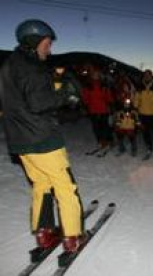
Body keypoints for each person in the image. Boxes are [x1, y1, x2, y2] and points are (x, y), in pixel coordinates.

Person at [0, 19, 84, 252]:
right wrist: (66, 94)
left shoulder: (10, 65)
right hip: (42, 139)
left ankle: (44, 234)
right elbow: (39, 102)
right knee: (66, 188)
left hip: (21, 140)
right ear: (33, 42)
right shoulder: (32, 68)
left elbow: (24, 98)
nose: (50, 49)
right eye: (47, 44)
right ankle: (72, 237)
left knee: (41, 185)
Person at [133, 69, 153, 161]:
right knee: (145, 132)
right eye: (145, 75)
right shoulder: (140, 86)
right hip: (142, 113)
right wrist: (135, 107)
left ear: (152, 76)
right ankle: (149, 146)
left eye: (148, 75)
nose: (147, 76)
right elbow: (136, 98)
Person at [81, 67, 114, 152]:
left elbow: (108, 96)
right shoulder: (88, 85)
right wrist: (85, 105)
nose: (95, 76)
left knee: (105, 127)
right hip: (93, 110)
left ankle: (108, 141)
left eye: (97, 74)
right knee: (96, 128)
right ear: (91, 76)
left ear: (99, 76)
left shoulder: (103, 85)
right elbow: (85, 97)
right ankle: (100, 141)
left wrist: (111, 103)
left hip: (103, 110)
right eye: (94, 74)